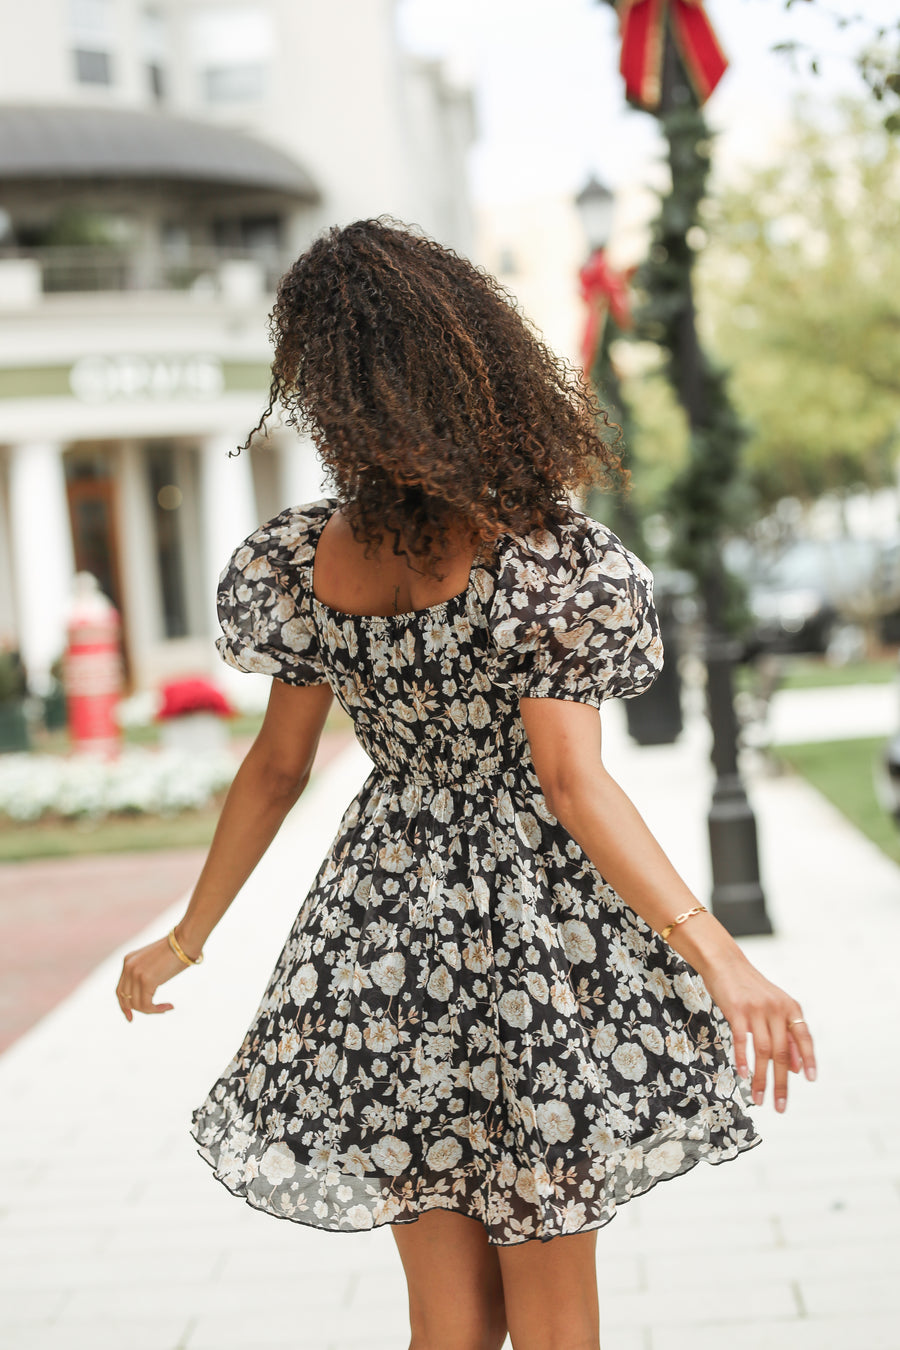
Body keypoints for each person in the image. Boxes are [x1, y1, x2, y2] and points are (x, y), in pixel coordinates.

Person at [115, 217, 816, 1350]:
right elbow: (571, 782)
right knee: (552, 1320)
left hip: (378, 933)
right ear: (470, 359)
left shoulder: (307, 558)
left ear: (329, 386)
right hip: (528, 942)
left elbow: (277, 767)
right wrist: (721, 955)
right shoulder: (536, 552)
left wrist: (187, 938)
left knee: (448, 1321)